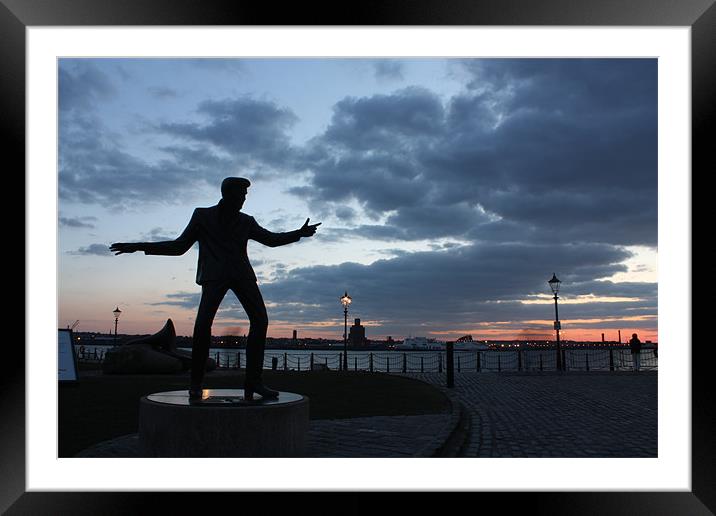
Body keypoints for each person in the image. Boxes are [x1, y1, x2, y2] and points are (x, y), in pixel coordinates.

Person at [110, 177, 321, 401]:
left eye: (245, 196)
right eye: (241, 195)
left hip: (242, 275)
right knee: (202, 325)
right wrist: (139, 247)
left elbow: (271, 239)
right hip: (214, 276)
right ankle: (196, 383)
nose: (244, 200)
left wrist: (299, 233)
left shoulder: (246, 221)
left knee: (260, 320)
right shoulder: (202, 215)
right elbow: (178, 246)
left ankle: (254, 382)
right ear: (227, 194)